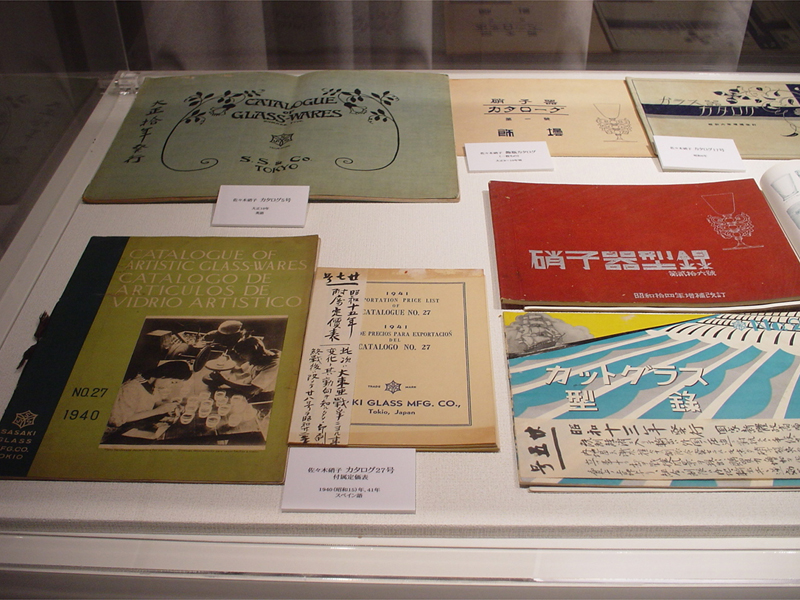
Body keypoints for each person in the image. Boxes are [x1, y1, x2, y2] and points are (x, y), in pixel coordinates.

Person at [107, 360, 192, 427]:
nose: (171, 386)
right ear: (164, 375)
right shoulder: (132, 388)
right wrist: (157, 411)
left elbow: (154, 402)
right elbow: (117, 420)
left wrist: (168, 407)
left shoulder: (150, 384)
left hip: (137, 425)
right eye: (172, 382)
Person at [204, 337, 279, 403]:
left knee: (220, 398)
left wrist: (224, 380)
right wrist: (224, 364)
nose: (240, 357)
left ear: (253, 352)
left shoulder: (273, 365)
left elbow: (252, 390)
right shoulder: (258, 356)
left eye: (242, 354)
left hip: (261, 395)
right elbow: (240, 370)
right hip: (251, 386)